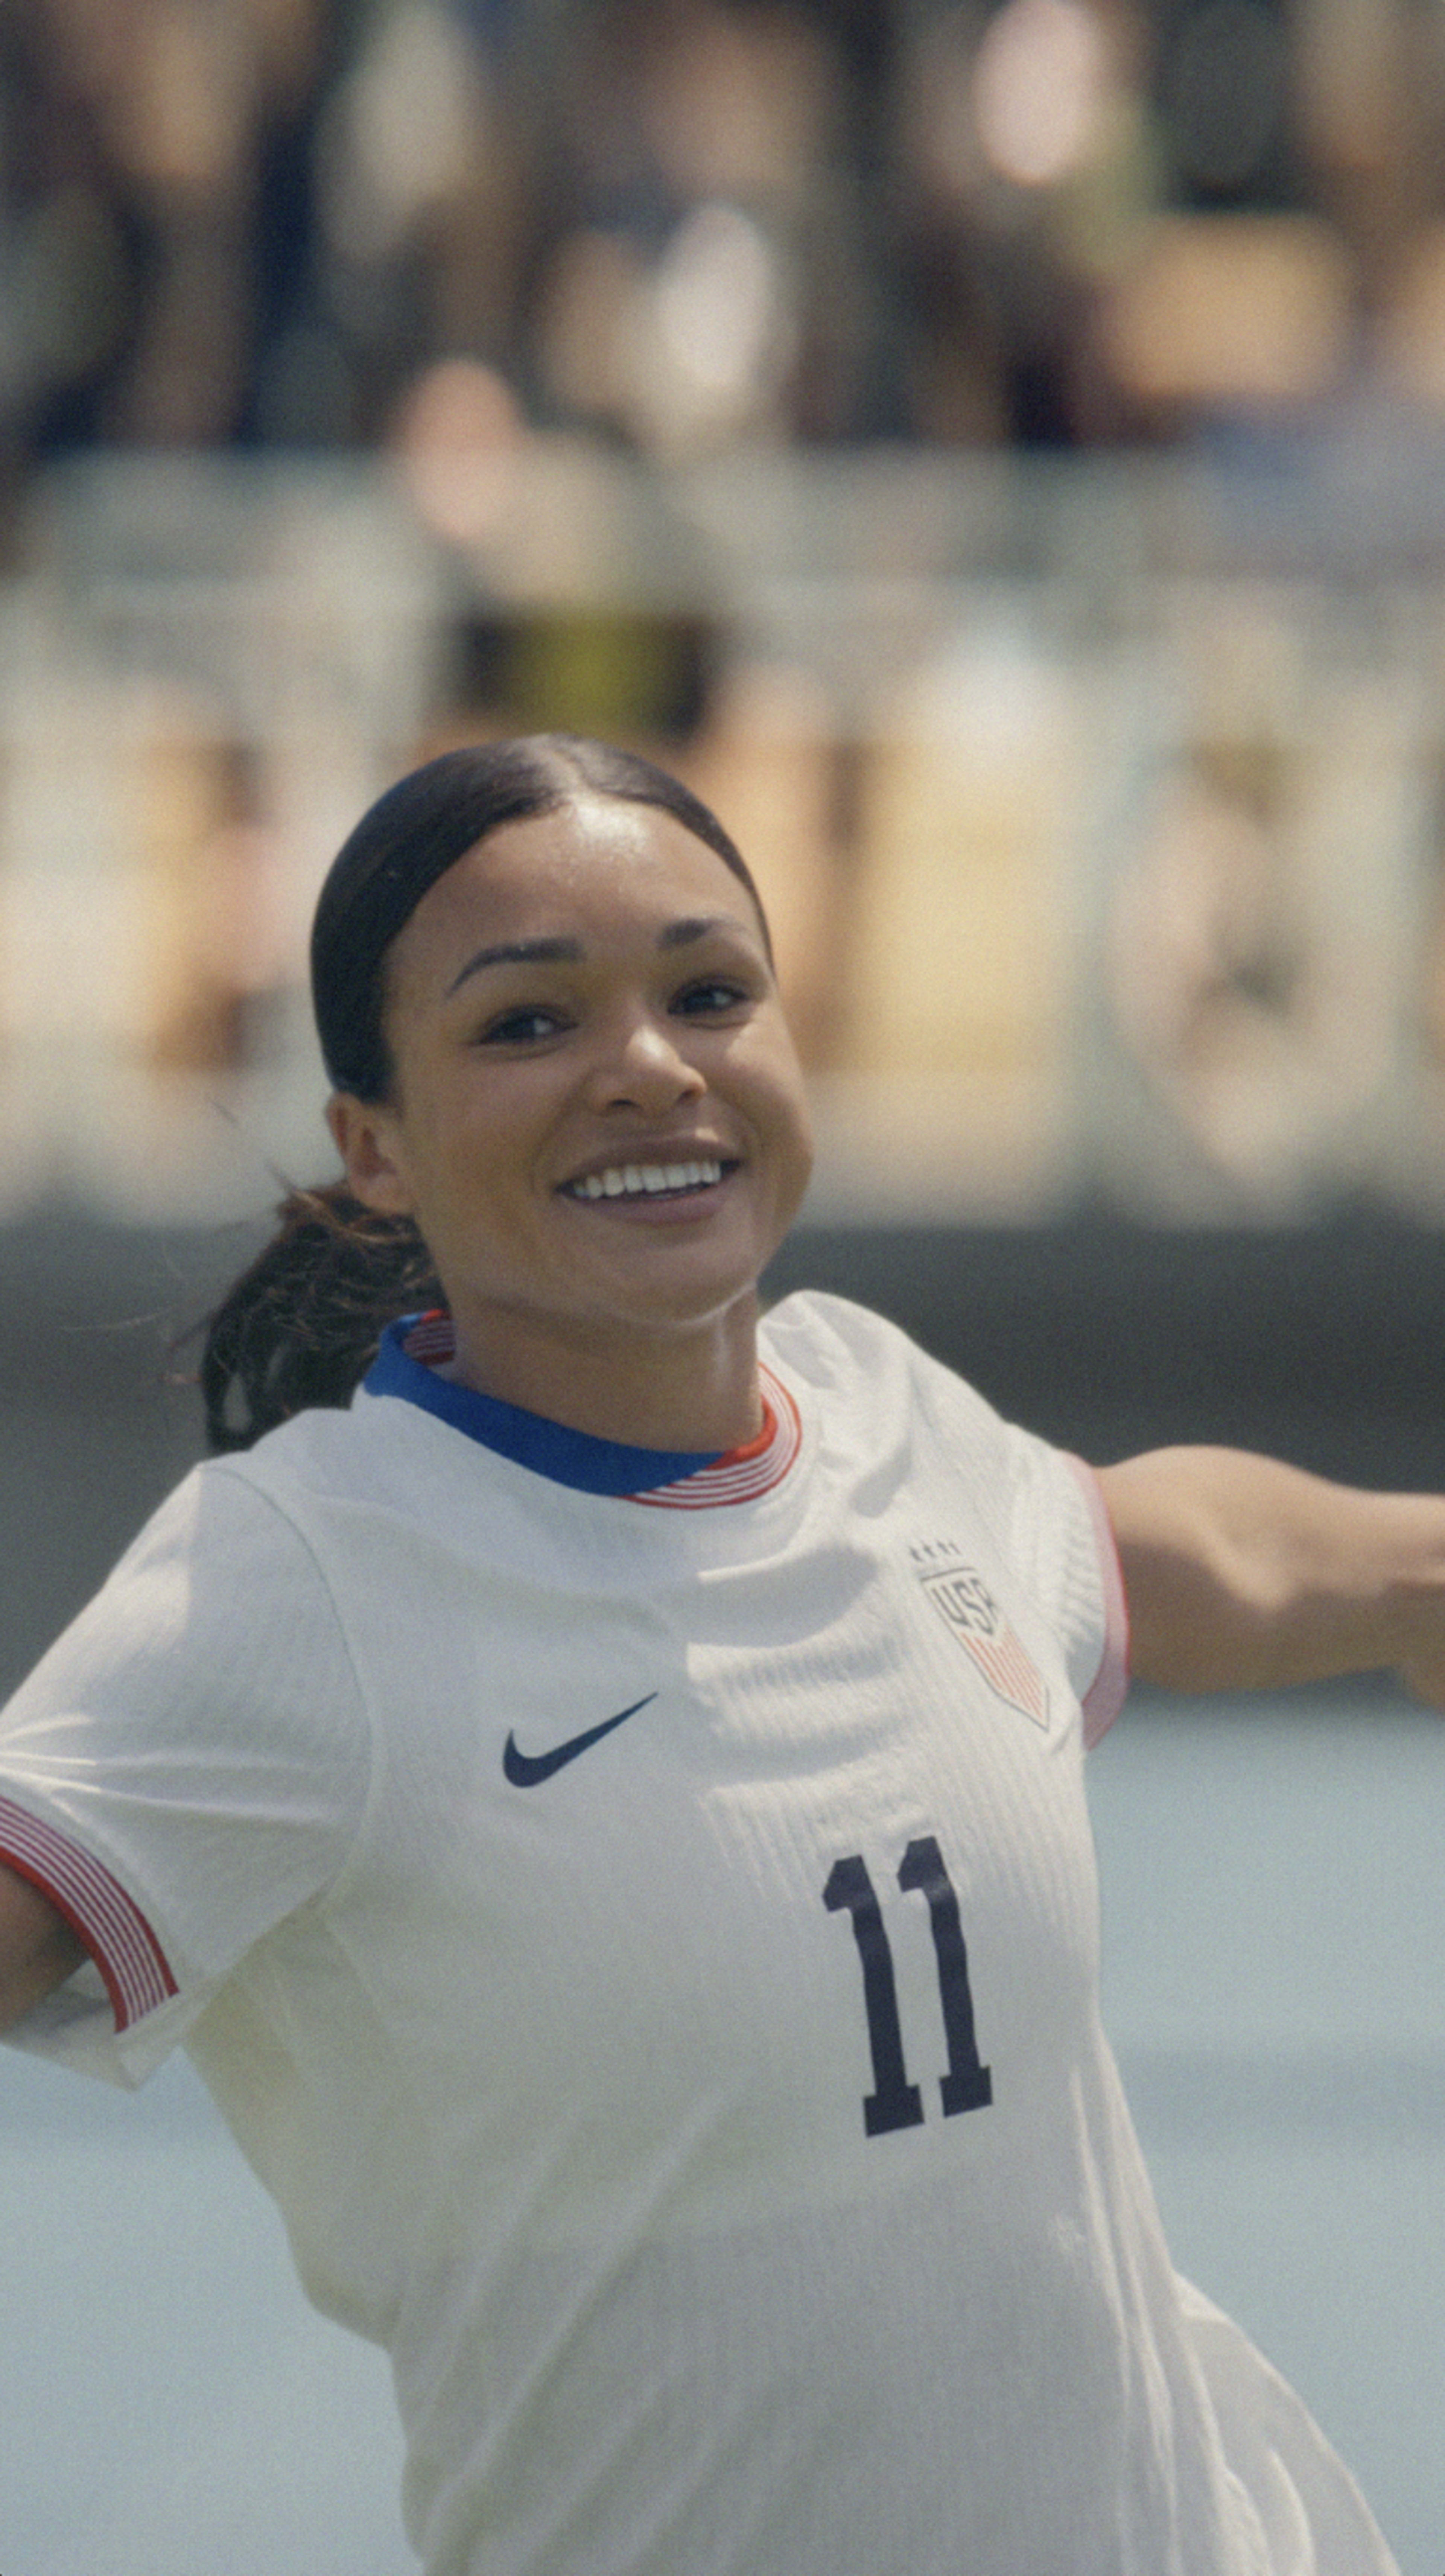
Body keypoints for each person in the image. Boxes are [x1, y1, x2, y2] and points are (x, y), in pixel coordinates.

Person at [0, 732, 1439, 2576]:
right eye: (529, 1023)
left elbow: (1172, 1547)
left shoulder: (877, 1403)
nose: (650, 1067)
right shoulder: (299, 1581)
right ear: (374, 1148)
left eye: (710, 991)